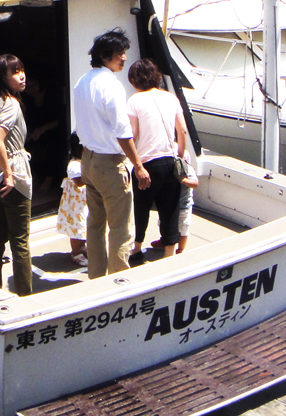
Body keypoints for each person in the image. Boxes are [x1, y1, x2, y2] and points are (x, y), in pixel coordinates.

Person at [73, 28, 150, 279]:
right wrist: (138, 165)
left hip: (89, 159)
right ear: (106, 56)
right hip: (110, 162)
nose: (124, 58)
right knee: (120, 227)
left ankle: (96, 277)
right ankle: (119, 281)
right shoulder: (112, 86)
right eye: (120, 54)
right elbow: (122, 131)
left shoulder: (82, 81)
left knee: (95, 224)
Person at [126, 58, 189, 262]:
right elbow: (182, 131)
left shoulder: (134, 100)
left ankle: (137, 248)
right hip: (170, 161)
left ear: (135, 79)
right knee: (170, 208)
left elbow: (133, 134)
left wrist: (134, 162)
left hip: (147, 163)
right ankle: (170, 251)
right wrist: (179, 156)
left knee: (141, 207)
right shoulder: (171, 97)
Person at [0, 54, 32, 296]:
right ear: (3, 77)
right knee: (20, 241)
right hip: (12, 179)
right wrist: (9, 174)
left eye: (21, 70)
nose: (21, 75)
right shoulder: (10, 104)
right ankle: (25, 295)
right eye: (14, 72)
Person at [56, 132, 88, 267]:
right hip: (75, 205)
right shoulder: (74, 165)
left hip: (85, 203)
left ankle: (82, 247)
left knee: (85, 227)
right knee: (76, 228)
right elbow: (79, 182)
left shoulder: (84, 161)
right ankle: (76, 252)